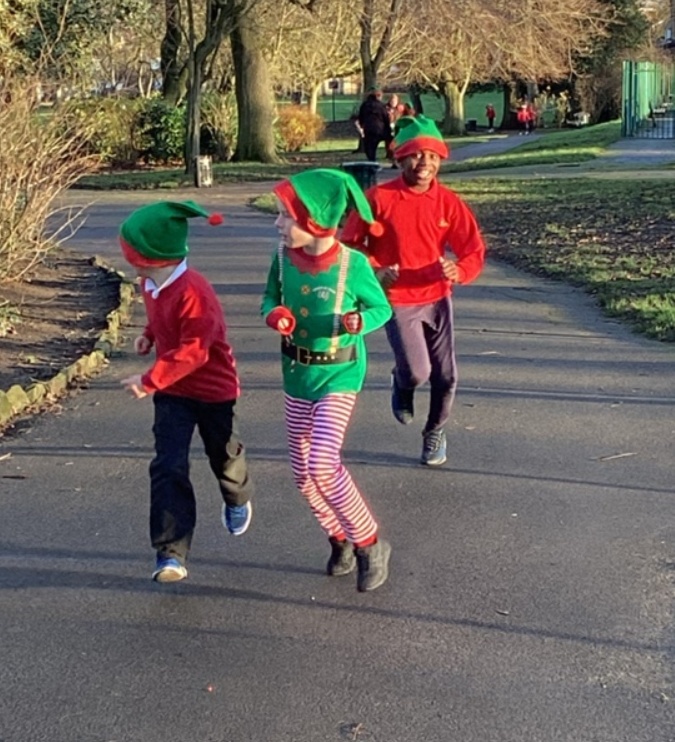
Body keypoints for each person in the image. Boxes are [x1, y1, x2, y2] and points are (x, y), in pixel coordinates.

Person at [262, 168, 393, 592]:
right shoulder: (282, 258)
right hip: (297, 375)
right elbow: (269, 297)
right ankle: (339, 538)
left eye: (285, 215)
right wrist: (274, 314)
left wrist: (360, 321)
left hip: (339, 374)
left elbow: (381, 308)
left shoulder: (352, 265)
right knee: (303, 473)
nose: (278, 223)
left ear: (315, 220)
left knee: (322, 462)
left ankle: (369, 543)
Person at [119, 200, 253, 583]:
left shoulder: (195, 292)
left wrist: (148, 380)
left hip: (213, 391)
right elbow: (161, 317)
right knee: (168, 465)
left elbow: (195, 351)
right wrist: (149, 335)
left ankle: (237, 495)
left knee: (224, 457)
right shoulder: (149, 283)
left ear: (149, 254)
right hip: (173, 391)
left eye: (130, 249)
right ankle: (170, 553)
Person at [341, 115, 486, 467]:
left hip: (437, 296)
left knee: (447, 375)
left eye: (433, 156)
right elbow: (349, 245)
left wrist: (459, 270)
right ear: (400, 158)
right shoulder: (379, 198)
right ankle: (403, 383)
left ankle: (434, 431)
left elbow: (472, 249)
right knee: (418, 371)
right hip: (398, 299)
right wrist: (375, 271)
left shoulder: (447, 202)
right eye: (417, 155)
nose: (425, 163)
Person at [357, 87, 393, 162]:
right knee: (390, 140)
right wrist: (388, 129)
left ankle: (371, 160)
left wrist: (362, 125)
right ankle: (393, 158)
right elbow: (385, 118)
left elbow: (361, 117)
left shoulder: (365, 105)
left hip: (368, 129)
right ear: (378, 96)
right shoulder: (381, 105)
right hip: (380, 129)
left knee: (370, 147)